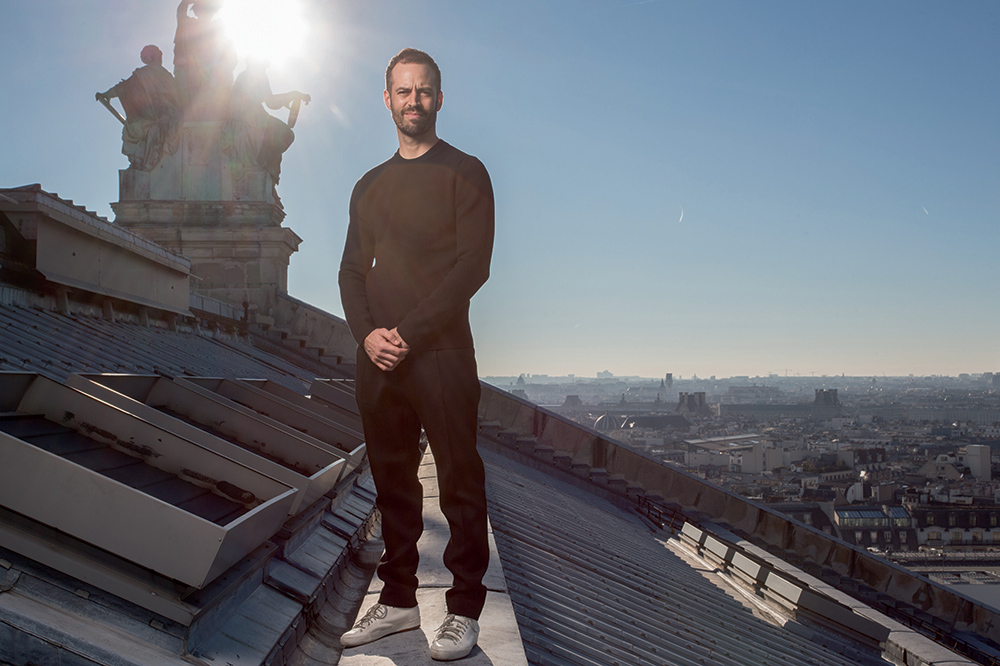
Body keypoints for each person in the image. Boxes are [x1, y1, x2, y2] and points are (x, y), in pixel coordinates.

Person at [338, 48, 494, 661]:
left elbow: (471, 267)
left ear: (439, 96)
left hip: (442, 353)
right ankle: (399, 602)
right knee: (393, 482)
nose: (413, 101)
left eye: (424, 90)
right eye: (402, 91)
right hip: (377, 359)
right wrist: (367, 335)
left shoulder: (467, 172)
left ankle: (464, 610)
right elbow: (352, 271)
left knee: (459, 481)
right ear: (387, 99)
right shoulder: (368, 185)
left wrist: (408, 332)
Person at [96, 45, 181, 170]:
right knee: (137, 129)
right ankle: (139, 159)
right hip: (168, 115)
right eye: (159, 54)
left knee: (132, 130)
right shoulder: (165, 76)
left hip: (160, 116)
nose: (161, 56)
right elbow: (125, 87)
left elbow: (124, 87)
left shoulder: (146, 74)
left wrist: (107, 95)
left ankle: (138, 159)